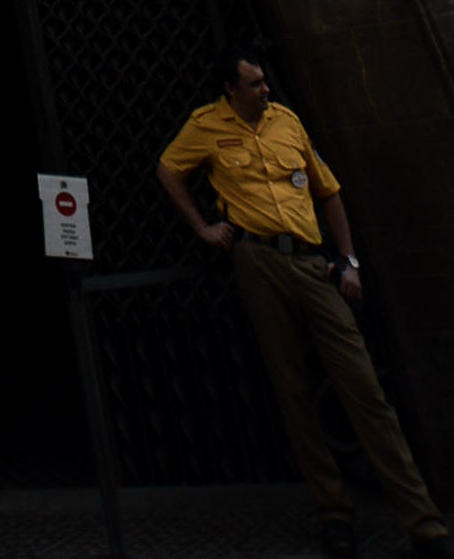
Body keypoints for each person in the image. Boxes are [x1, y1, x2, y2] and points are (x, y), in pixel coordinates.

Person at [156, 47, 445, 557]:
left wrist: (348, 261)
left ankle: (422, 520)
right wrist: (203, 227)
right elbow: (168, 170)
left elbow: (328, 191)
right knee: (292, 392)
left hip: (313, 263)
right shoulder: (204, 126)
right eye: (254, 83)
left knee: (364, 390)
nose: (265, 90)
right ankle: (334, 513)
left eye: (265, 82)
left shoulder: (287, 123)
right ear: (230, 89)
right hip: (257, 261)